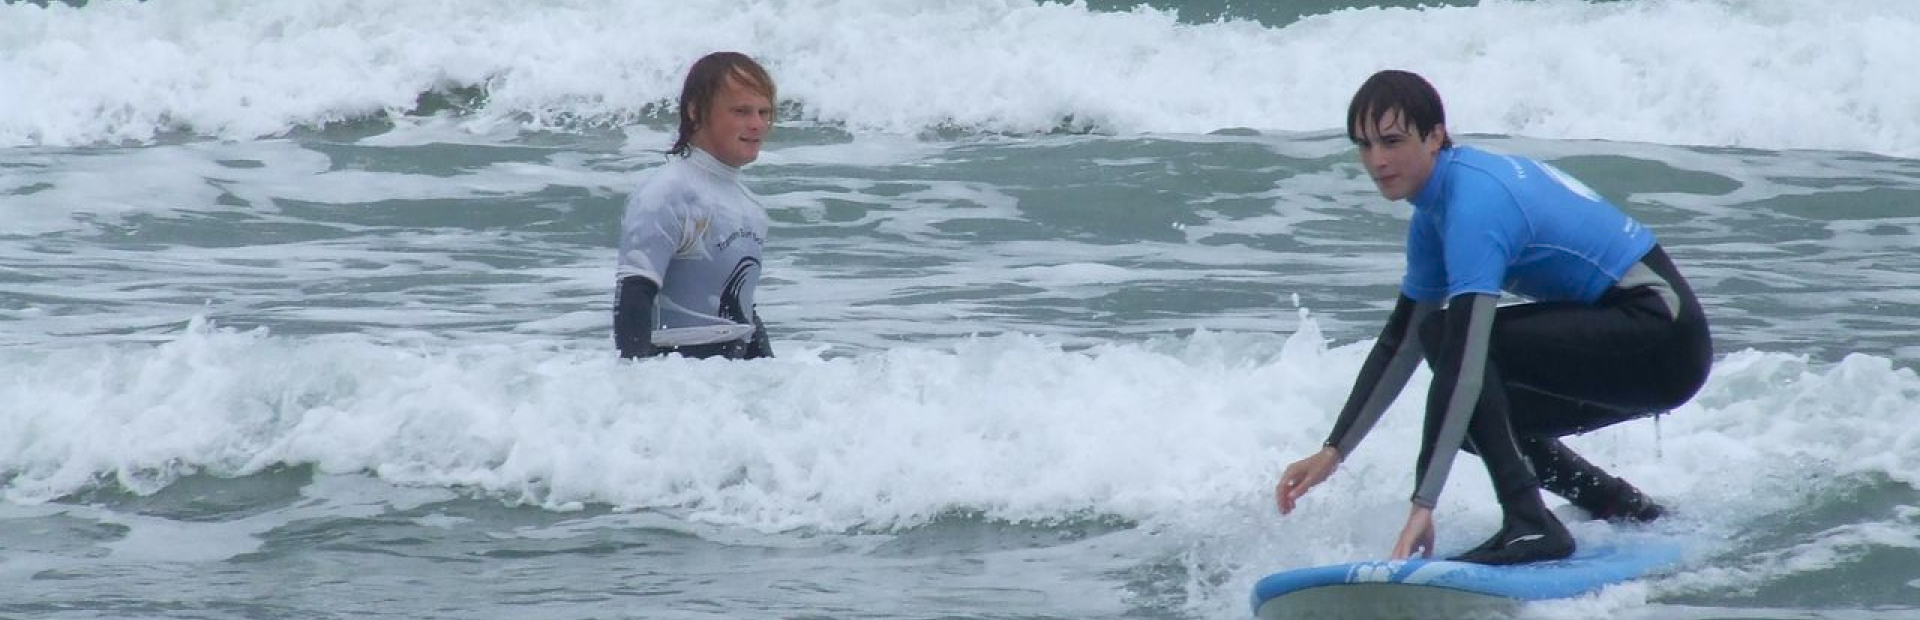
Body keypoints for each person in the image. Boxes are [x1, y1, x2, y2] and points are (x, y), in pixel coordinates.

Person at [1274, 70, 1712, 565]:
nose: (1377, 161)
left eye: (1392, 141)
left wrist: (1423, 504)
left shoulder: (1474, 206)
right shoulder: (1435, 215)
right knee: (1472, 419)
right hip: (1647, 345)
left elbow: (1462, 353)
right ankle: (1616, 503)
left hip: (1662, 337)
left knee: (1454, 350)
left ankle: (1530, 524)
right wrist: (1333, 451)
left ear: (1434, 135)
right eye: (1365, 145)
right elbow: (1401, 342)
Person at [614, 51, 777, 360]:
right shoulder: (667, 193)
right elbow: (634, 296)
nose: (757, 124)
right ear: (695, 111)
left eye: (763, 112)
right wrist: (634, 383)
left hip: (724, 381)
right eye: (741, 111)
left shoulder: (751, 207)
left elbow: (741, 315)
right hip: (674, 376)